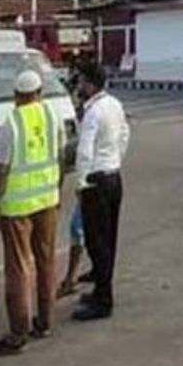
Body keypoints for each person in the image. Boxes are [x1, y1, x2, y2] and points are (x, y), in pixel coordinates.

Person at [0, 70, 64, 356]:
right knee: (46, 260)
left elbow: (2, 170)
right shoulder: (53, 116)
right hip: (47, 199)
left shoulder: (12, 123)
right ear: (39, 92)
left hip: (17, 206)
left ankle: (18, 333)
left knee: (18, 268)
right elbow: (61, 155)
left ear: (16, 96)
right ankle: (44, 321)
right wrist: (56, 191)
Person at [72, 62, 130, 321]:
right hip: (113, 176)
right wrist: (116, 160)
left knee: (97, 242)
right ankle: (100, 288)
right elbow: (125, 134)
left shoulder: (92, 112)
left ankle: (103, 299)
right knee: (110, 238)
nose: (79, 86)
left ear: (90, 84)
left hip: (96, 181)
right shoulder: (114, 104)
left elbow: (84, 152)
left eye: (81, 81)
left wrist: (81, 183)